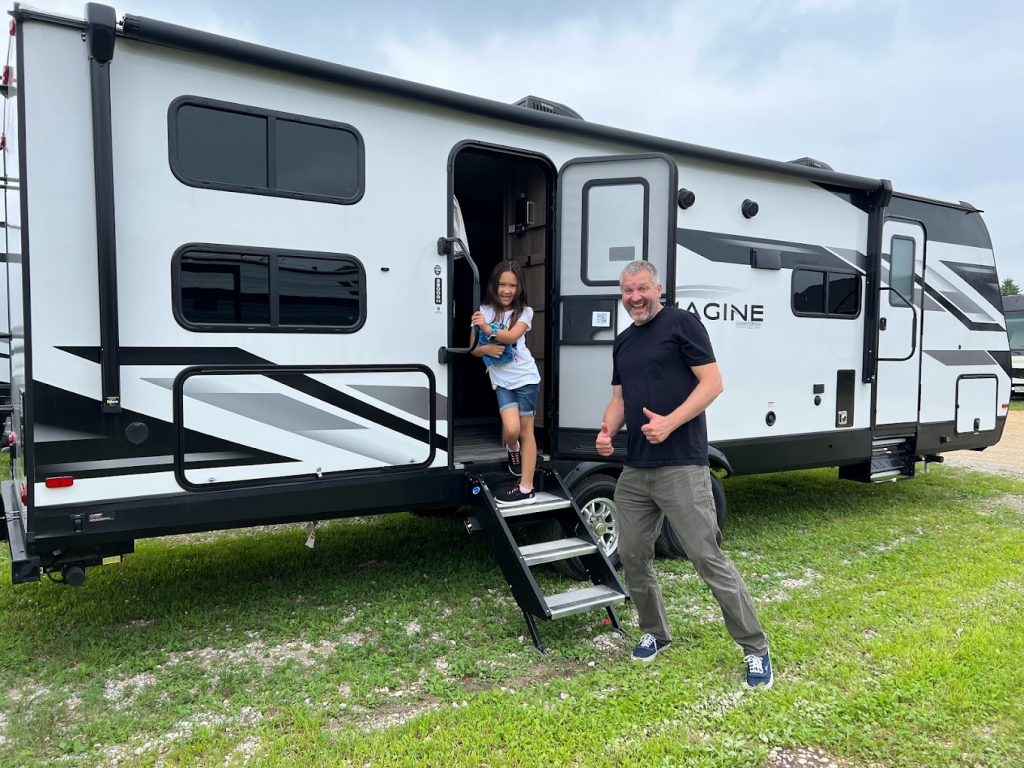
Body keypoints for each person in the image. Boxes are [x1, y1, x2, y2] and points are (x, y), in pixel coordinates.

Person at [595, 260, 773, 689]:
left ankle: (756, 649)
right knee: (634, 555)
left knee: (705, 556)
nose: (634, 298)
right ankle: (654, 632)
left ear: (657, 288)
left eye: (641, 289)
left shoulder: (682, 324)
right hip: (636, 469)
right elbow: (620, 398)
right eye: (627, 291)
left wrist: (670, 423)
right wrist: (606, 429)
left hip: (682, 466)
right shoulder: (622, 343)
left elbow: (712, 383)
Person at [472, 260, 541, 505]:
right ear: (495, 285)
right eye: (502, 284)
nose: (507, 290)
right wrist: (486, 348)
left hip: (525, 379)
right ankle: (513, 450)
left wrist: (487, 328)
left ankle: (526, 488)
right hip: (501, 382)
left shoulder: (525, 312)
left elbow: (511, 336)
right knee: (510, 431)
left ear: (519, 288)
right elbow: (473, 349)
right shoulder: (483, 310)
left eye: (512, 285)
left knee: (526, 432)